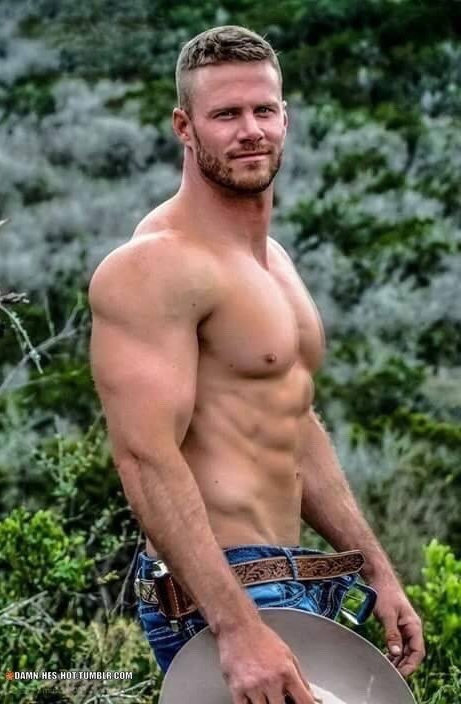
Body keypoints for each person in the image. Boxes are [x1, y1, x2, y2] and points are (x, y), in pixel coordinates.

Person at [88, 25, 425, 704]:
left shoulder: (275, 263)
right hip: (225, 591)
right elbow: (145, 458)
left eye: (263, 110)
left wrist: (375, 568)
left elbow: (291, 420)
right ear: (185, 127)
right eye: (225, 115)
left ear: (285, 118)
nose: (250, 131)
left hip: (300, 581)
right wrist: (237, 627)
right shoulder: (155, 265)